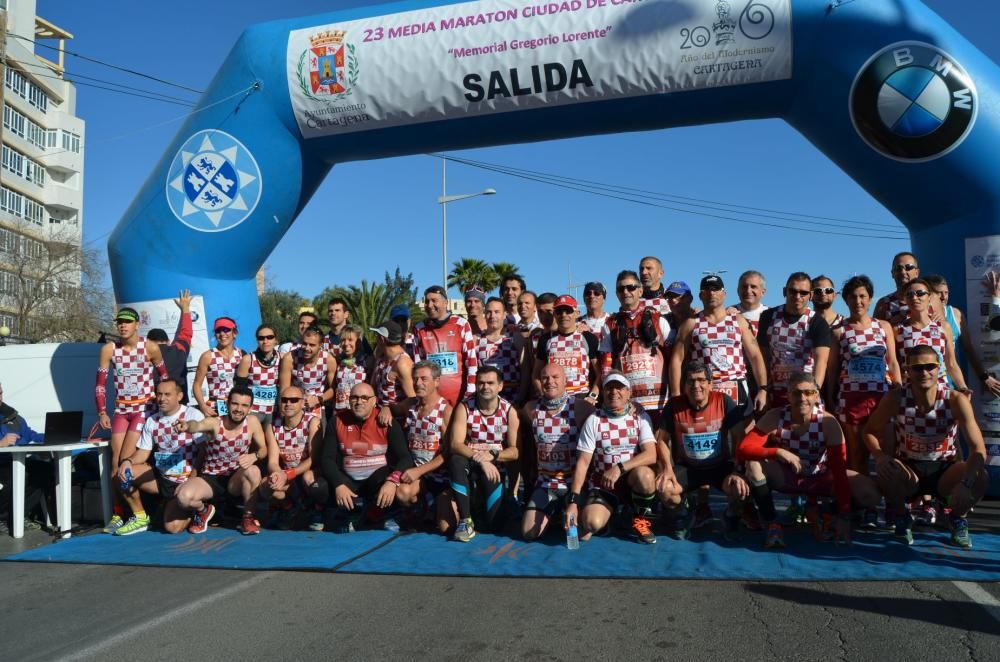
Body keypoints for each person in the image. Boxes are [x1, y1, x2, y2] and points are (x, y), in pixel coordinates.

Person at [863, 344, 989, 548]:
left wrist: (966, 485)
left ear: (939, 368)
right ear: (908, 371)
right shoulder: (896, 398)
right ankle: (902, 518)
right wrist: (879, 456)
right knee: (887, 470)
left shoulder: (956, 400)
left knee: (980, 475)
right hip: (909, 468)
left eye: (930, 366)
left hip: (945, 469)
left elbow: (978, 449)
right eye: (917, 368)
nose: (924, 372)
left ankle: (958, 519)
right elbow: (869, 431)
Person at [737, 371, 880, 548]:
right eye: (796, 393)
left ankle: (824, 512)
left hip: (820, 477)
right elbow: (743, 450)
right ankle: (772, 523)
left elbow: (839, 470)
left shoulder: (828, 422)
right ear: (788, 395)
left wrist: (844, 515)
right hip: (788, 476)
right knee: (753, 465)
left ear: (816, 396)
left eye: (809, 393)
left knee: (870, 494)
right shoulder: (775, 416)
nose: (803, 398)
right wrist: (778, 453)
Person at [656, 361, 750, 540]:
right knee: (664, 489)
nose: (696, 386)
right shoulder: (674, 405)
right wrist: (667, 469)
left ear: (710, 384)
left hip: (719, 467)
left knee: (741, 488)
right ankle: (684, 512)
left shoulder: (724, 401)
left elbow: (740, 437)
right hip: (688, 468)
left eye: (701, 380)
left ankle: (730, 515)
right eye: (691, 381)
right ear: (684, 385)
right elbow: (662, 440)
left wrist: (738, 470)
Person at [96, 306, 168, 533]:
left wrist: (162, 405)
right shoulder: (109, 349)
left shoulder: (150, 347)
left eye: (128, 322)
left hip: (143, 409)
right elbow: (99, 385)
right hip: (121, 410)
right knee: (114, 462)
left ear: (137, 325)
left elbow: (165, 378)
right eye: (120, 322)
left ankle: (139, 515)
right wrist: (102, 412)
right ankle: (119, 513)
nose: (123, 326)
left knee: (126, 459)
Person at [565, 371, 659, 544]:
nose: (614, 392)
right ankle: (610, 516)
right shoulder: (594, 420)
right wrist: (573, 501)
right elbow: (583, 462)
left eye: (619, 388)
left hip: (630, 481)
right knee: (590, 524)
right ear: (603, 392)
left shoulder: (640, 417)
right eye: (609, 388)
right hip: (604, 484)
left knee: (646, 476)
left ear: (628, 392)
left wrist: (619, 468)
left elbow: (651, 454)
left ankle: (639, 519)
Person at [827, 276, 901, 484]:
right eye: (852, 297)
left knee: (887, 452)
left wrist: (900, 389)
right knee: (857, 455)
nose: (858, 301)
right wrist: (830, 397)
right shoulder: (839, 331)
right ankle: (862, 503)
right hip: (851, 399)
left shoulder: (883, 326)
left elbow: (893, 362)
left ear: (869, 299)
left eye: (862, 296)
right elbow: (832, 369)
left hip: (882, 398)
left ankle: (892, 504)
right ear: (846, 300)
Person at [113, 379, 206, 535]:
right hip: (161, 479)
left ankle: (192, 508)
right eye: (159, 394)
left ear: (179, 396)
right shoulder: (152, 420)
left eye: (167, 394)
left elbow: (204, 451)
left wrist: (193, 478)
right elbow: (143, 453)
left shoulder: (192, 415)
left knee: (172, 528)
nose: (162, 398)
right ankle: (140, 517)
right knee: (122, 474)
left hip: (185, 481)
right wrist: (127, 462)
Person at [669, 274, 769, 417]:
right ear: (700, 295)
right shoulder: (691, 323)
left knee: (740, 434)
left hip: (736, 385)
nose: (711, 293)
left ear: (724, 293)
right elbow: (676, 360)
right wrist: (676, 395)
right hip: (705, 387)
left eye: (716, 289)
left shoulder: (738, 320)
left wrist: (763, 389)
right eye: (707, 289)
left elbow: (755, 356)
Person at [173, 386, 268, 535]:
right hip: (211, 479)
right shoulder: (215, 423)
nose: (239, 409)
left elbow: (264, 449)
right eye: (235, 404)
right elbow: (197, 425)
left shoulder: (252, 422)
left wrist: (254, 456)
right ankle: (203, 511)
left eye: (244, 405)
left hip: (235, 479)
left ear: (250, 408)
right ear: (227, 404)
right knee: (183, 497)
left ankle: (248, 518)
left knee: (254, 471)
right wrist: (186, 426)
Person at [320, 382, 413, 532]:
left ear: (374, 401)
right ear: (349, 400)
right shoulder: (337, 421)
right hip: (349, 482)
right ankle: (344, 512)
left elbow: (405, 458)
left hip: (377, 482)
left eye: (364, 398)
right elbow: (327, 459)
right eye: (354, 398)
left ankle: (386, 512)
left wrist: (392, 482)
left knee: (393, 479)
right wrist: (338, 485)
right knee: (319, 487)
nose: (359, 402)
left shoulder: (386, 421)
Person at [444, 366, 521, 541]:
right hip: (472, 463)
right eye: (481, 383)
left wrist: (493, 455)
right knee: (456, 461)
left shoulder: (510, 411)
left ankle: (498, 504)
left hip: (495, 468)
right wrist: (480, 459)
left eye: (490, 383)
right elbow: (455, 444)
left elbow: (515, 452)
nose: (485, 387)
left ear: (500, 386)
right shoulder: (465, 407)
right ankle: (465, 520)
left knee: (494, 526)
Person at [521, 364, 595, 541]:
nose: (550, 382)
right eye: (545, 377)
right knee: (528, 533)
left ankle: (569, 508)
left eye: (555, 377)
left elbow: (608, 417)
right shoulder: (530, 409)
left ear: (565, 381)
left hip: (573, 484)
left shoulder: (581, 407)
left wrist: (633, 408)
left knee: (583, 536)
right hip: (546, 484)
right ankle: (553, 513)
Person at [599, 270, 672, 425]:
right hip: (629, 404)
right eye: (621, 289)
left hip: (659, 401)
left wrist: (675, 396)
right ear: (617, 294)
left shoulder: (658, 319)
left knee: (662, 447)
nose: (626, 292)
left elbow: (673, 360)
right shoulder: (610, 324)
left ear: (640, 291)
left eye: (630, 287)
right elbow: (606, 366)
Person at [757, 272, 833, 408]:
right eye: (793, 291)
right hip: (776, 391)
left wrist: (814, 392)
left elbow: (821, 362)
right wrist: (763, 388)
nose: (797, 297)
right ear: (784, 291)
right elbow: (761, 356)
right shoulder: (768, 316)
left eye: (803, 293)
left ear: (810, 295)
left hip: (804, 393)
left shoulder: (817, 322)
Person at [392, 361, 454, 520]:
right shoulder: (410, 405)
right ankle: (424, 504)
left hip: (441, 476)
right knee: (402, 493)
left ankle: (436, 504)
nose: (418, 383)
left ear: (437, 381)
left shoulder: (445, 410)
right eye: (415, 379)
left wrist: (419, 470)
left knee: (445, 527)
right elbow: (392, 408)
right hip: (419, 478)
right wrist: (386, 409)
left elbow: (449, 453)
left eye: (424, 379)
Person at [925, 273, 1000, 396]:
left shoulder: (955, 314)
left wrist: (983, 377)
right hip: (925, 382)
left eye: (946, 292)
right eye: (938, 293)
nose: (944, 297)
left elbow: (968, 348)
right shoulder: (916, 316)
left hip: (951, 383)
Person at [259, 386, 322, 530]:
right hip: (288, 474)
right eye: (284, 400)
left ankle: (315, 510)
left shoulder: (312, 422)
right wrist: (278, 474)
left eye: (294, 400)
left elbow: (315, 458)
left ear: (302, 403)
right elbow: (273, 462)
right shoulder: (273, 426)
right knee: (265, 485)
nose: (288, 404)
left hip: (307, 472)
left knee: (308, 477)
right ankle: (288, 507)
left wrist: (289, 474)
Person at [894, 278, 968, 391]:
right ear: (905, 299)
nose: (915, 298)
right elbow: (894, 365)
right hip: (910, 393)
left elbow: (951, 364)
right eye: (909, 294)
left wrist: (963, 388)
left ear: (929, 297)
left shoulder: (943, 327)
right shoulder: (897, 330)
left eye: (920, 293)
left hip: (941, 391)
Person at [413, 285, 477, 408]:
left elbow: (472, 363)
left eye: (434, 300)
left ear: (445, 302)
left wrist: (470, 394)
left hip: (460, 399)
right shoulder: (419, 328)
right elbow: (418, 364)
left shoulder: (461, 324)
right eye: (427, 301)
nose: (430, 305)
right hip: (432, 400)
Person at [533, 295, 600, 401]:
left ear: (577, 313)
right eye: (559, 312)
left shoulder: (588, 337)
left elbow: (600, 373)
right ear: (554, 314)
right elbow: (536, 375)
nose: (563, 315)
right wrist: (543, 395)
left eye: (568, 311)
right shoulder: (545, 339)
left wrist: (592, 396)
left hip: (581, 396)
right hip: (554, 397)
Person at [0, 384, 45, 534]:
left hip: (16, 462)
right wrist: (1, 443)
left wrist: (55, 435)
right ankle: (4, 517)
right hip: (3, 465)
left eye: (0, 392)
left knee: (45, 471)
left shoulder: (13, 416)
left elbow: (30, 435)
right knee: (22, 475)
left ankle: (20, 515)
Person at [476, 298, 529, 406]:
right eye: (489, 312)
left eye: (497, 312)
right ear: (484, 314)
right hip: (486, 399)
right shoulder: (476, 339)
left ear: (504, 314)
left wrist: (521, 398)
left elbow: (525, 370)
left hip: (513, 397)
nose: (492, 316)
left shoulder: (515, 337)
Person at [146, 290, 194, 402]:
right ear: (168, 341)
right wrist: (185, 308)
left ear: (148, 342)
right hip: (179, 403)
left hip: (154, 404)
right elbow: (186, 333)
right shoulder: (179, 350)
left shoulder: (143, 355)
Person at [279, 326, 337, 418]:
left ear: (321, 345)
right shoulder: (289, 358)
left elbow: (333, 389)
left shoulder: (328, 360)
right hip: (295, 402)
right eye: (304, 343)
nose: (307, 348)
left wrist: (318, 399)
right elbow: (284, 390)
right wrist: (283, 415)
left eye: (312, 345)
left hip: (317, 403)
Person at [192, 317, 244, 417]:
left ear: (235, 333)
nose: (222, 334)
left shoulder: (241, 354)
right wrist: (202, 406)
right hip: (217, 406)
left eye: (226, 330)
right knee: (220, 432)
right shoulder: (207, 356)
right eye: (218, 331)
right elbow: (197, 384)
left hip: (237, 406)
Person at [235, 323, 281, 426]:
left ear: (276, 339)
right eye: (261, 338)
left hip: (274, 410)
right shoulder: (248, 359)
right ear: (257, 340)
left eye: (270, 337)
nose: (265, 341)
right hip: (254, 411)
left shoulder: (282, 358)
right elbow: (240, 390)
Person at [371, 320, 416, 423]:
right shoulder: (381, 359)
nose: (376, 340)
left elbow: (412, 399)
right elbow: (373, 388)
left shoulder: (402, 363)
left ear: (382, 339)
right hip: (380, 419)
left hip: (396, 422)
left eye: (377, 336)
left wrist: (390, 409)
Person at [874, 251, 921, 325]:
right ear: (892, 273)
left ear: (917, 273)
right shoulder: (884, 304)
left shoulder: (931, 299)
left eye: (908, 267)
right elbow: (877, 333)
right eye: (898, 268)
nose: (903, 272)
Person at [333, 325, 372, 411]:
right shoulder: (338, 361)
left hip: (360, 410)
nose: (346, 343)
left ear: (358, 342)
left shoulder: (367, 361)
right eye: (343, 340)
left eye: (350, 340)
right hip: (341, 411)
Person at [728, 270, 769, 336]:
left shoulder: (771, 315)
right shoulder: (728, 314)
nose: (748, 291)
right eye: (744, 287)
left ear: (763, 292)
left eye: (753, 287)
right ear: (738, 290)